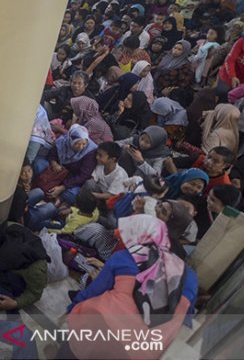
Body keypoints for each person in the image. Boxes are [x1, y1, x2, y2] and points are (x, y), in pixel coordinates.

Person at [66, 215, 197, 360]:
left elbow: (92, 292)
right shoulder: (191, 279)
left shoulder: (128, 257)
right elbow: (186, 320)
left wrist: (71, 310)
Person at [33, 124, 98, 205]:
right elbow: (52, 155)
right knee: (39, 164)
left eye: (84, 144)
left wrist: (62, 187)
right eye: (77, 143)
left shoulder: (90, 152)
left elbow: (83, 176)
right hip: (57, 172)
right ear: (71, 140)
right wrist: (54, 163)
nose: (81, 147)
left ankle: (59, 199)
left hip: (72, 180)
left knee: (71, 195)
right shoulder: (63, 142)